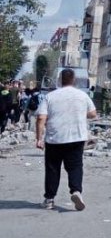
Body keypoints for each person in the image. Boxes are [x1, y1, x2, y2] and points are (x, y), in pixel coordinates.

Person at [35, 68, 97, 211]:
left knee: (52, 168)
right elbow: (93, 114)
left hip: (54, 138)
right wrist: (80, 113)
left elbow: (40, 118)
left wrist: (39, 138)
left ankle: (49, 199)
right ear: (74, 80)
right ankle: (76, 191)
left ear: (60, 80)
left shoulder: (50, 96)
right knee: (75, 166)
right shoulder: (82, 95)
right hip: (76, 137)